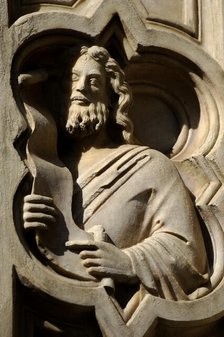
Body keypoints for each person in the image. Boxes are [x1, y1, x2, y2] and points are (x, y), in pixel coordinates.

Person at [23, 46, 209, 316]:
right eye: (73, 79)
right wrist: (22, 222)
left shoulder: (148, 165)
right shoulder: (42, 165)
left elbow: (190, 254)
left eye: (93, 81)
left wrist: (128, 261)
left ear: (113, 98)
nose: (81, 89)